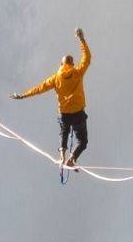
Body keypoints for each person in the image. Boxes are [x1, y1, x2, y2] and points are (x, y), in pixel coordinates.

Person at [12, 28, 91, 168]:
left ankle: (62, 154)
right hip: (78, 112)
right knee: (83, 142)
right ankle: (72, 159)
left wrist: (23, 95)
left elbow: (39, 88)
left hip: (65, 113)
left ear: (61, 64)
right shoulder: (78, 72)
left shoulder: (55, 78)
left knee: (64, 132)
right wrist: (81, 39)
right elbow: (87, 58)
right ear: (72, 64)